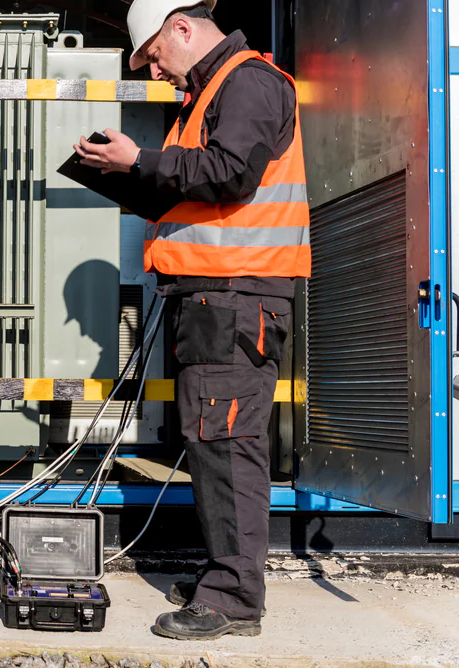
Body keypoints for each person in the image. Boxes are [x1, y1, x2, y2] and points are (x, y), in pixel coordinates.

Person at [74, 0, 310, 641]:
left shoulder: (249, 81)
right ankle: (226, 577)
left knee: (228, 443)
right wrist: (135, 177)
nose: (156, 72)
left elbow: (233, 173)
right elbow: (205, 186)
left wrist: (139, 163)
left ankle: (233, 599)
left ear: (182, 27)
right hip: (214, 297)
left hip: (235, 296)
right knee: (213, 441)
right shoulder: (214, 92)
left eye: (154, 55)